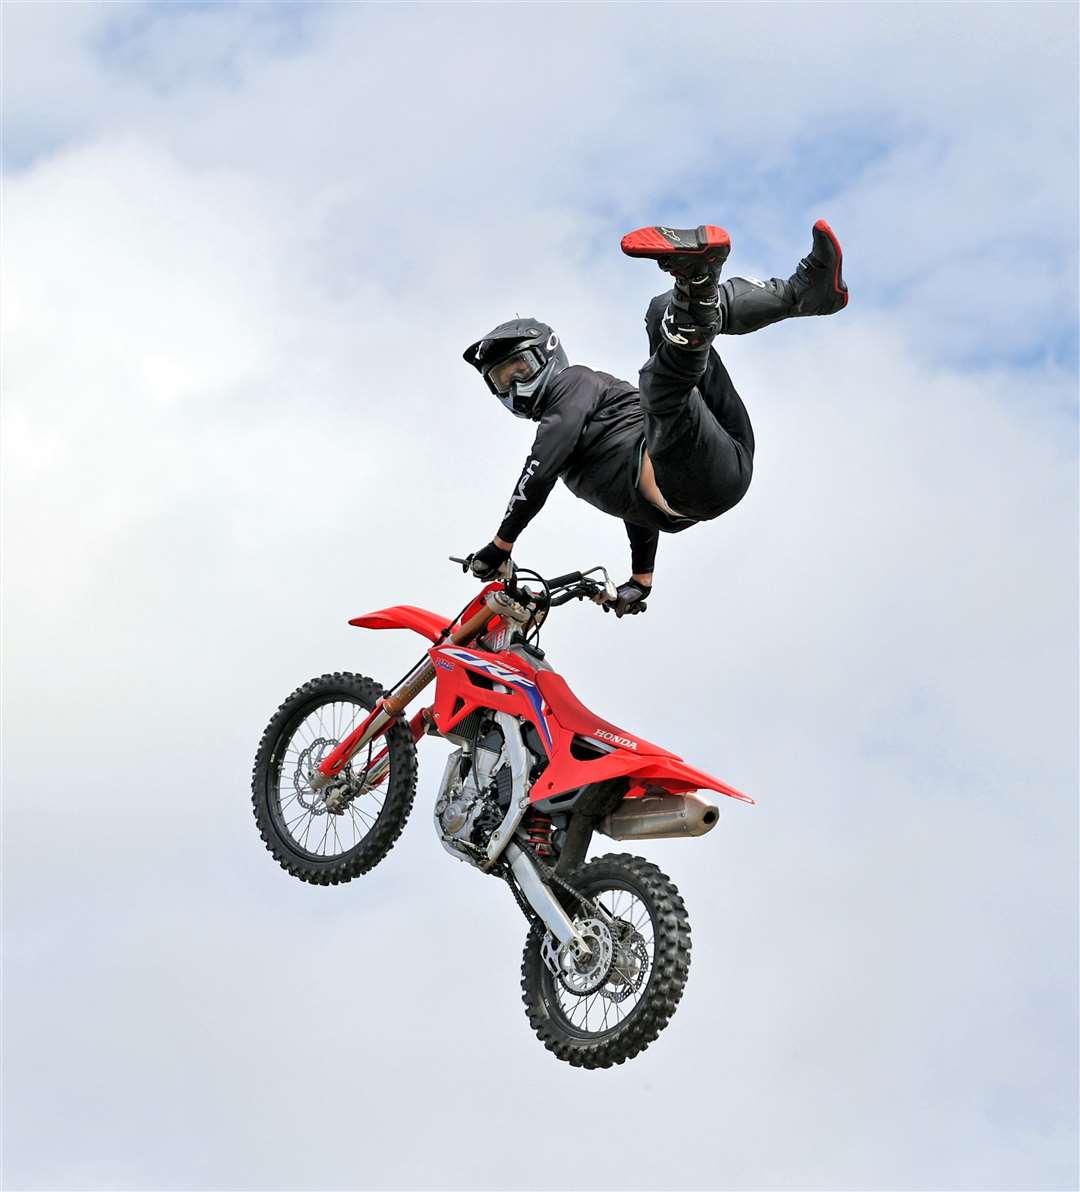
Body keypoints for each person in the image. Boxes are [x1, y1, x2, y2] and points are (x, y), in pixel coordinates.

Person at [463, 221, 848, 615]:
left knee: (663, 315)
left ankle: (780, 289)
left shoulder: (573, 383)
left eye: (520, 369)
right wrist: (641, 577)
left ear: (548, 356)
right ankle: (716, 288)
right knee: (663, 374)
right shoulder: (595, 437)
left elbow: (540, 467)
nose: (514, 387)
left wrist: (502, 543)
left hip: (705, 454)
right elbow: (633, 490)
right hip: (698, 469)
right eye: (501, 381)